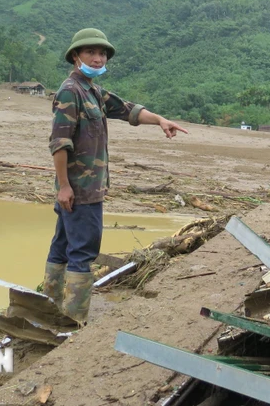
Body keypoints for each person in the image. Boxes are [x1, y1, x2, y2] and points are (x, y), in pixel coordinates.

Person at [44, 28, 187, 325]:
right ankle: (73, 320)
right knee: (83, 251)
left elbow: (127, 110)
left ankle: (51, 307)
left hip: (82, 188)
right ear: (75, 56)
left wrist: (160, 120)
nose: (98, 59)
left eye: (102, 54)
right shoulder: (71, 91)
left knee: (61, 245)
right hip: (80, 191)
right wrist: (65, 187)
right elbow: (60, 143)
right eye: (90, 53)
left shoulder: (93, 90)